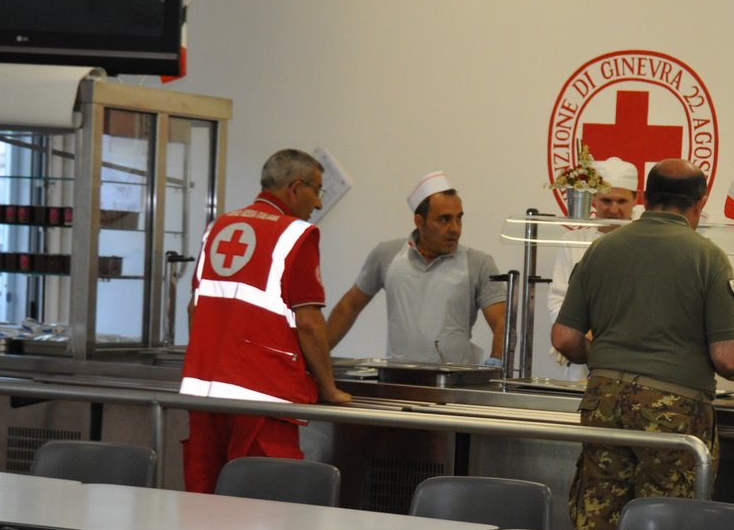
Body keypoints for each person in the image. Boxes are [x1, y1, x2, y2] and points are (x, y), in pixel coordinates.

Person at [552, 158, 734, 530]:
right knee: (667, 524)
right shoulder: (707, 257)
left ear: (644, 197)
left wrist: (604, 361)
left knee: (599, 520)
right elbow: (725, 357)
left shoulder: (601, 249)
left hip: (603, 403)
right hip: (673, 410)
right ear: (700, 203)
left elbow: (565, 339)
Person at [179, 148, 351, 493]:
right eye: (316, 190)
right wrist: (329, 389)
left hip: (203, 396)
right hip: (262, 398)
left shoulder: (219, 226)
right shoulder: (295, 235)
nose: (318, 204)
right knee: (262, 510)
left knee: (203, 507)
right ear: (295, 188)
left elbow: (194, 308)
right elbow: (308, 322)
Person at [327, 171, 506, 365]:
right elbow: (350, 305)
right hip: (399, 378)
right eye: (444, 219)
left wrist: (497, 360)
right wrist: (317, 355)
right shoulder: (387, 254)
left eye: (459, 218)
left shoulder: (478, 263)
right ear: (419, 221)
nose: (455, 228)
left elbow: (503, 321)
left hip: (454, 382)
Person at [546, 156, 641, 381]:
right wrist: (578, 337)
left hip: (632, 356)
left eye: (621, 201)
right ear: (593, 201)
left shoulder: (646, 242)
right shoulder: (573, 241)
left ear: (636, 200)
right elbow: (558, 298)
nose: (614, 209)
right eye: (606, 201)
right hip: (582, 356)